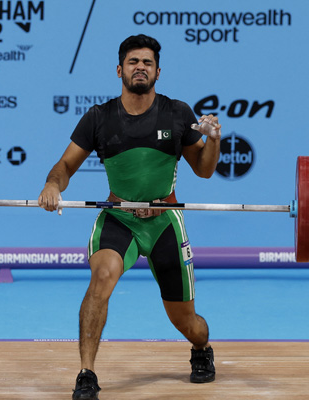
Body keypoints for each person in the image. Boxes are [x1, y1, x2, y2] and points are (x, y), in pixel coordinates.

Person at [38, 34, 222, 400]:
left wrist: (214, 140)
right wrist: (52, 185)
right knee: (101, 277)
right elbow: (65, 165)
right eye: (134, 61)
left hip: (164, 220)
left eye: (148, 62)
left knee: (188, 323)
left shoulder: (178, 113)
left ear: (157, 72)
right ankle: (87, 373)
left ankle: (201, 349)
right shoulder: (99, 118)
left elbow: (203, 170)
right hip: (119, 218)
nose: (141, 67)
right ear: (119, 69)